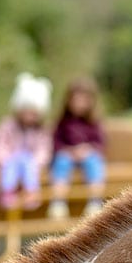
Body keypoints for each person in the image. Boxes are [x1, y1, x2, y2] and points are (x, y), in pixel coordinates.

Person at [0, 72, 52, 211]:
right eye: (26, 111)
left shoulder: (42, 130)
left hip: (31, 165)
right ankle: (7, 191)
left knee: (27, 161)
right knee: (14, 163)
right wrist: (4, 160)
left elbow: (44, 149)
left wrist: (37, 162)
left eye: (34, 112)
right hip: (10, 163)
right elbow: (0, 145)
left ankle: (31, 192)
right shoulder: (7, 126)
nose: (29, 116)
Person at [47, 78, 106, 219]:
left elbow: (100, 143)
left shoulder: (94, 122)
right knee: (61, 162)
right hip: (68, 155)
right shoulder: (62, 122)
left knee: (94, 162)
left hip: (87, 155)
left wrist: (87, 149)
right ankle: (58, 202)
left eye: (83, 100)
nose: (79, 104)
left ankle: (95, 201)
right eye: (76, 99)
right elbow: (56, 143)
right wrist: (68, 151)